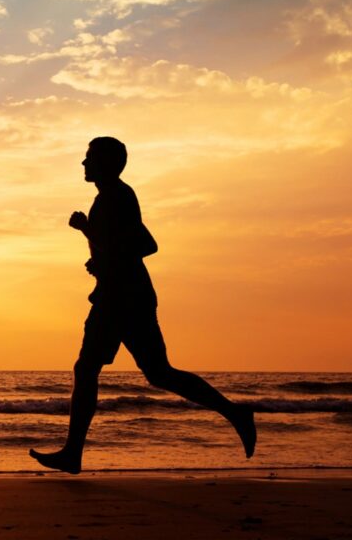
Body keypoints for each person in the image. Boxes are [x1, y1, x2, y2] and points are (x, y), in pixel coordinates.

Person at [29, 137, 256, 475]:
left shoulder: (118, 197)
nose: (83, 163)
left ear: (107, 163)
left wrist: (87, 230)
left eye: (89, 157)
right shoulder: (109, 198)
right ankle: (234, 413)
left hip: (123, 298)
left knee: (93, 368)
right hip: (119, 293)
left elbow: (146, 245)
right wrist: (98, 255)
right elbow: (117, 247)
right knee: (153, 372)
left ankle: (73, 453)